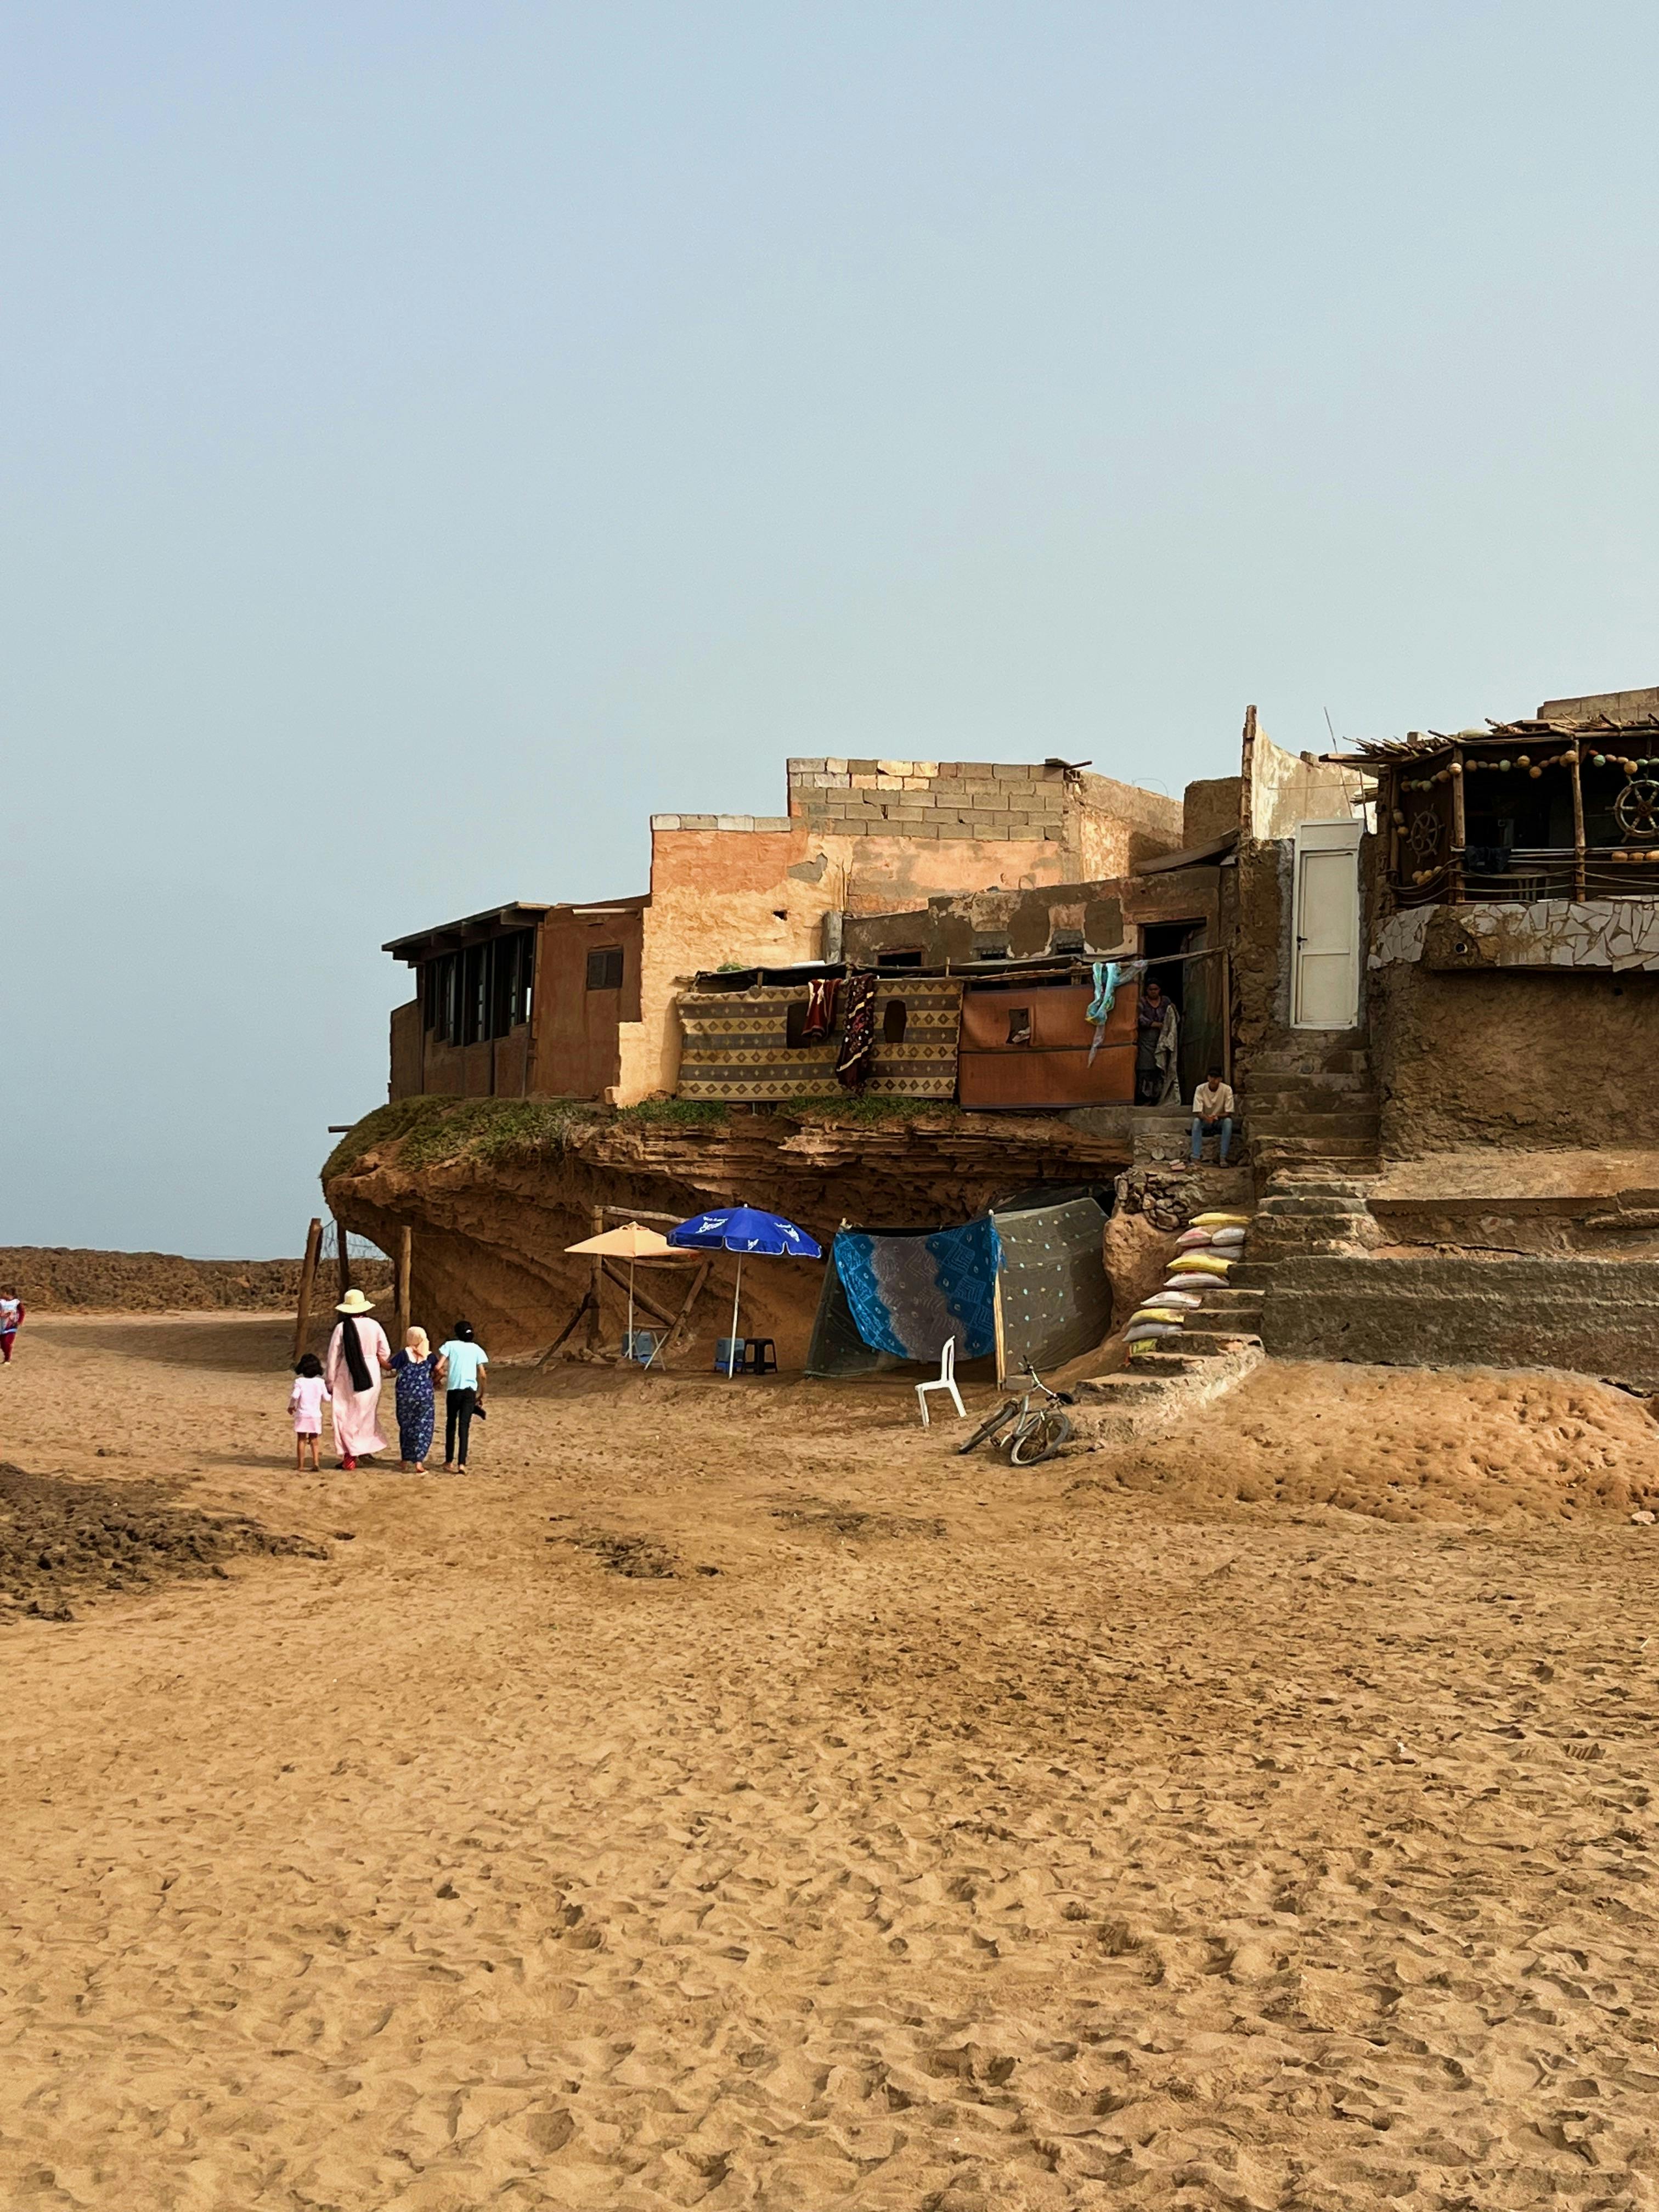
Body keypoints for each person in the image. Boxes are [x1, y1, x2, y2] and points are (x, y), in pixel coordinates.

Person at [323, 1287, 391, 1471]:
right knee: (366, 1414)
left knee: (345, 1414)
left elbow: (333, 1356)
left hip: (348, 1371)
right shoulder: (375, 1325)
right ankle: (363, 1449)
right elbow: (385, 1351)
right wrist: (374, 1358)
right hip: (371, 1373)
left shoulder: (341, 1328)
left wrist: (330, 1380)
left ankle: (350, 1454)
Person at [438, 1317, 488, 1473]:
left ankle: (448, 1461)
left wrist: (444, 1376)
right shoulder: (476, 1349)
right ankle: (462, 1464)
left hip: (454, 1390)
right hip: (469, 1391)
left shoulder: (450, 1346)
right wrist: (481, 1394)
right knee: (464, 1427)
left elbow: (439, 1367)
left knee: (451, 1425)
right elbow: (483, 1375)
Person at [390, 1325, 441, 1472]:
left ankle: (405, 1460)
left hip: (405, 1395)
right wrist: (436, 1380)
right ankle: (419, 1462)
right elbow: (439, 1371)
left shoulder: (404, 1354)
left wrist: (378, 1358)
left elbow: (389, 1366)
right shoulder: (430, 1356)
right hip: (425, 1395)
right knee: (423, 1427)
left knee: (406, 1426)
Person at [1136, 979, 1180, 1105]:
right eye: (1151, 989)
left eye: (1156, 989)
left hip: (1162, 1038)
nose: (1153, 992)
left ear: (1159, 990)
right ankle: (1144, 1098)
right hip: (1147, 1039)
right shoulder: (1142, 1002)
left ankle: (1158, 1097)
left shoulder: (1166, 1001)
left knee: (1159, 1068)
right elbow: (1139, 1018)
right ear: (1147, 990)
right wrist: (1154, 1024)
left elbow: (1172, 1016)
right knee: (1146, 1068)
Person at [288, 1352, 331, 1474]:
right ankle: (316, 1463)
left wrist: (291, 1407)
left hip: (302, 1414)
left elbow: (295, 1396)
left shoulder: (300, 1382)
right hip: (315, 1415)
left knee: (301, 1439)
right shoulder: (320, 1382)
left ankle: (301, 1465)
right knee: (314, 1440)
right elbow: (327, 1399)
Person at [1190, 1064, 1237, 1165]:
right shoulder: (1200, 1089)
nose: (1213, 1080)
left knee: (1228, 1122)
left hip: (1219, 1120)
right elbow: (1198, 1111)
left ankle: (1223, 1157)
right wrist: (1207, 1118)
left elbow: (1229, 1112)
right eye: (1211, 1077)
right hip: (1206, 1120)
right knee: (1196, 1122)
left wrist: (1217, 1117)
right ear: (1208, 1077)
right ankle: (1196, 1156)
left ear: (1220, 1079)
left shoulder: (1227, 1089)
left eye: (1216, 1078)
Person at [0, 1290, 24, 1364]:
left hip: (11, 1326)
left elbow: (22, 1311)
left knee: (7, 1343)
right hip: (1, 1325)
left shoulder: (16, 1302)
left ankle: (8, 1359)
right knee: (3, 1344)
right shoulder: (1, 1302)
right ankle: (6, 1355)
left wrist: (19, 1321)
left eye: (3, 1292)